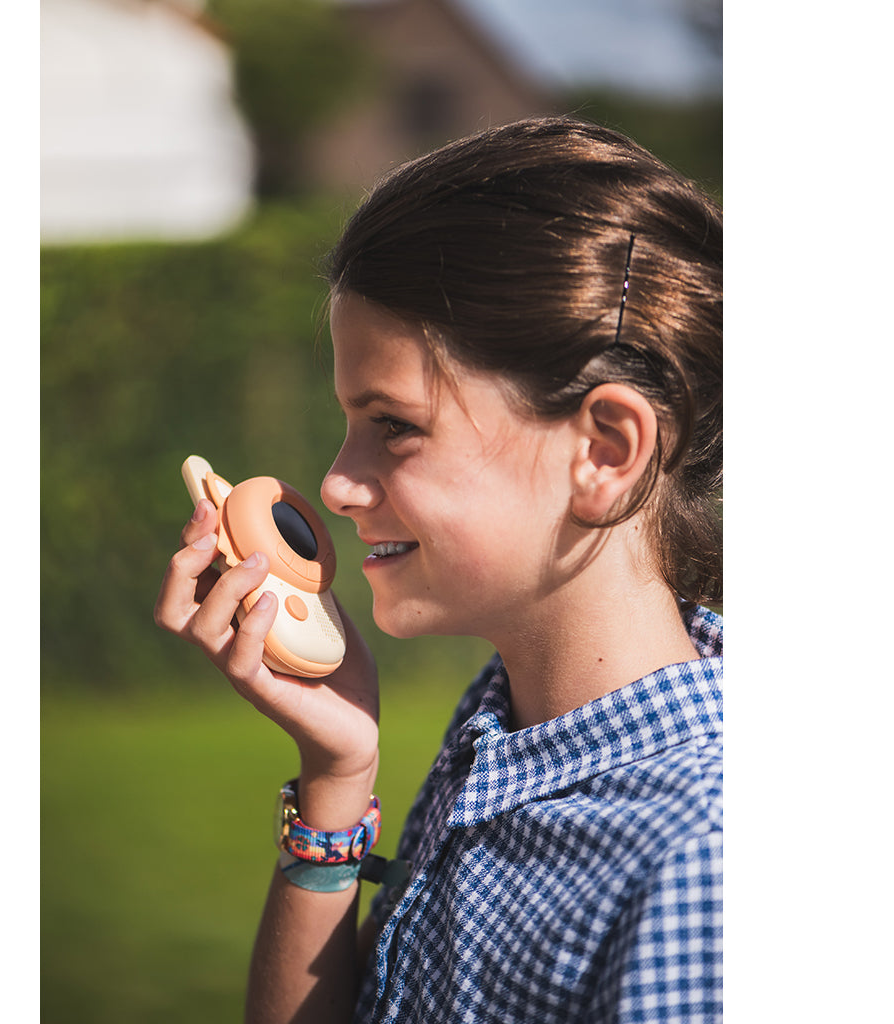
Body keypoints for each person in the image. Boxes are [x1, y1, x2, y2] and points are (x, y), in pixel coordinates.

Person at [154, 116, 723, 1023]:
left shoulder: (704, 863)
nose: (337, 484)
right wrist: (338, 774)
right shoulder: (506, 722)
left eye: (397, 426)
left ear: (606, 450)